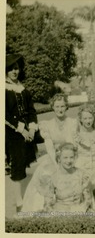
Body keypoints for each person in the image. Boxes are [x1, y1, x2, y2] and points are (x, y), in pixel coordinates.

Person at [22, 93, 77, 212]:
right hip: (53, 159)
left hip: (69, 158)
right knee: (45, 176)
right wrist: (57, 164)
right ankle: (45, 209)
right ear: (53, 107)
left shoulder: (73, 123)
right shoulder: (47, 125)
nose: (60, 109)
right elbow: (49, 146)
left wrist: (66, 161)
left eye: (62, 106)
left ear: (66, 107)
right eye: (57, 106)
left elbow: (72, 144)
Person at [5, 53, 40, 214]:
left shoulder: (24, 90)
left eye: (16, 68)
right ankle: (19, 203)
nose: (14, 72)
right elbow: (4, 114)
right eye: (11, 69)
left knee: (30, 163)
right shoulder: (3, 89)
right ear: (5, 71)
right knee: (17, 167)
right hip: (11, 133)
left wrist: (32, 129)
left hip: (27, 133)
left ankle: (32, 197)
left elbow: (31, 111)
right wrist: (22, 130)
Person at [73, 103, 95, 206]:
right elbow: (73, 154)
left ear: (94, 118)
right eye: (85, 118)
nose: (88, 121)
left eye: (90, 118)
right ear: (80, 119)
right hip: (81, 165)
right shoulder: (76, 134)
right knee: (82, 183)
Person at [42, 143, 92, 213]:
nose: (69, 161)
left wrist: (82, 209)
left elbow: (88, 199)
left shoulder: (82, 175)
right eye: (65, 157)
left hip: (79, 211)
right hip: (60, 214)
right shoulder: (53, 178)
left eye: (71, 157)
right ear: (59, 159)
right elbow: (47, 204)